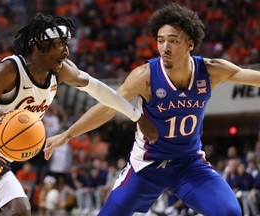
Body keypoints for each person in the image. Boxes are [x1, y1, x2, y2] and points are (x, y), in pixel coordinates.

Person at [43, 3, 260, 215]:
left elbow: (251, 77)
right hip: (147, 165)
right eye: (161, 40)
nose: (165, 47)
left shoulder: (211, 70)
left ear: (190, 45)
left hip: (189, 162)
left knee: (230, 211)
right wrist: (67, 134)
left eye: (173, 41)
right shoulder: (145, 76)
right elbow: (108, 107)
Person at [0, 13, 158, 216]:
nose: (66, 51)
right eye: (60, 44)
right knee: (18, 209)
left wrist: (136, 116)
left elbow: (100, 91)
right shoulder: (8, 71)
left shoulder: (61, 71)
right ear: (40, 46)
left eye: (67, 43)